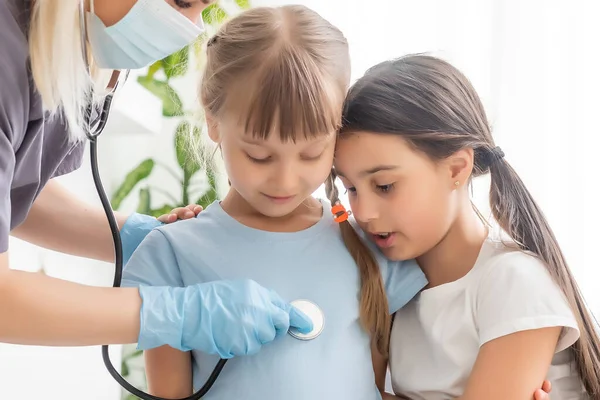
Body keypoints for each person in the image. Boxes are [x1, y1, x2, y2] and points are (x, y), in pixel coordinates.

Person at [120, 5, 428, 399]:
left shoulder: (372, 245)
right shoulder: (171, 253)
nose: (285, 180)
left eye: (312, 154)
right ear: (213, 122)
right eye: (259, 156)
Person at [0, 0, 311, 361]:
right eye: (182, 3)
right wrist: (177, 314)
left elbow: (16, 190)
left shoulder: (57, 48)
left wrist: (138, 237)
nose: (189, 28)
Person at [332, 54, 600, 399]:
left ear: (456, 169)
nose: (364, 212)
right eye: (350, 188)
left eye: (384, 186)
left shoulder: (511, 281)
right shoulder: (391, 283)